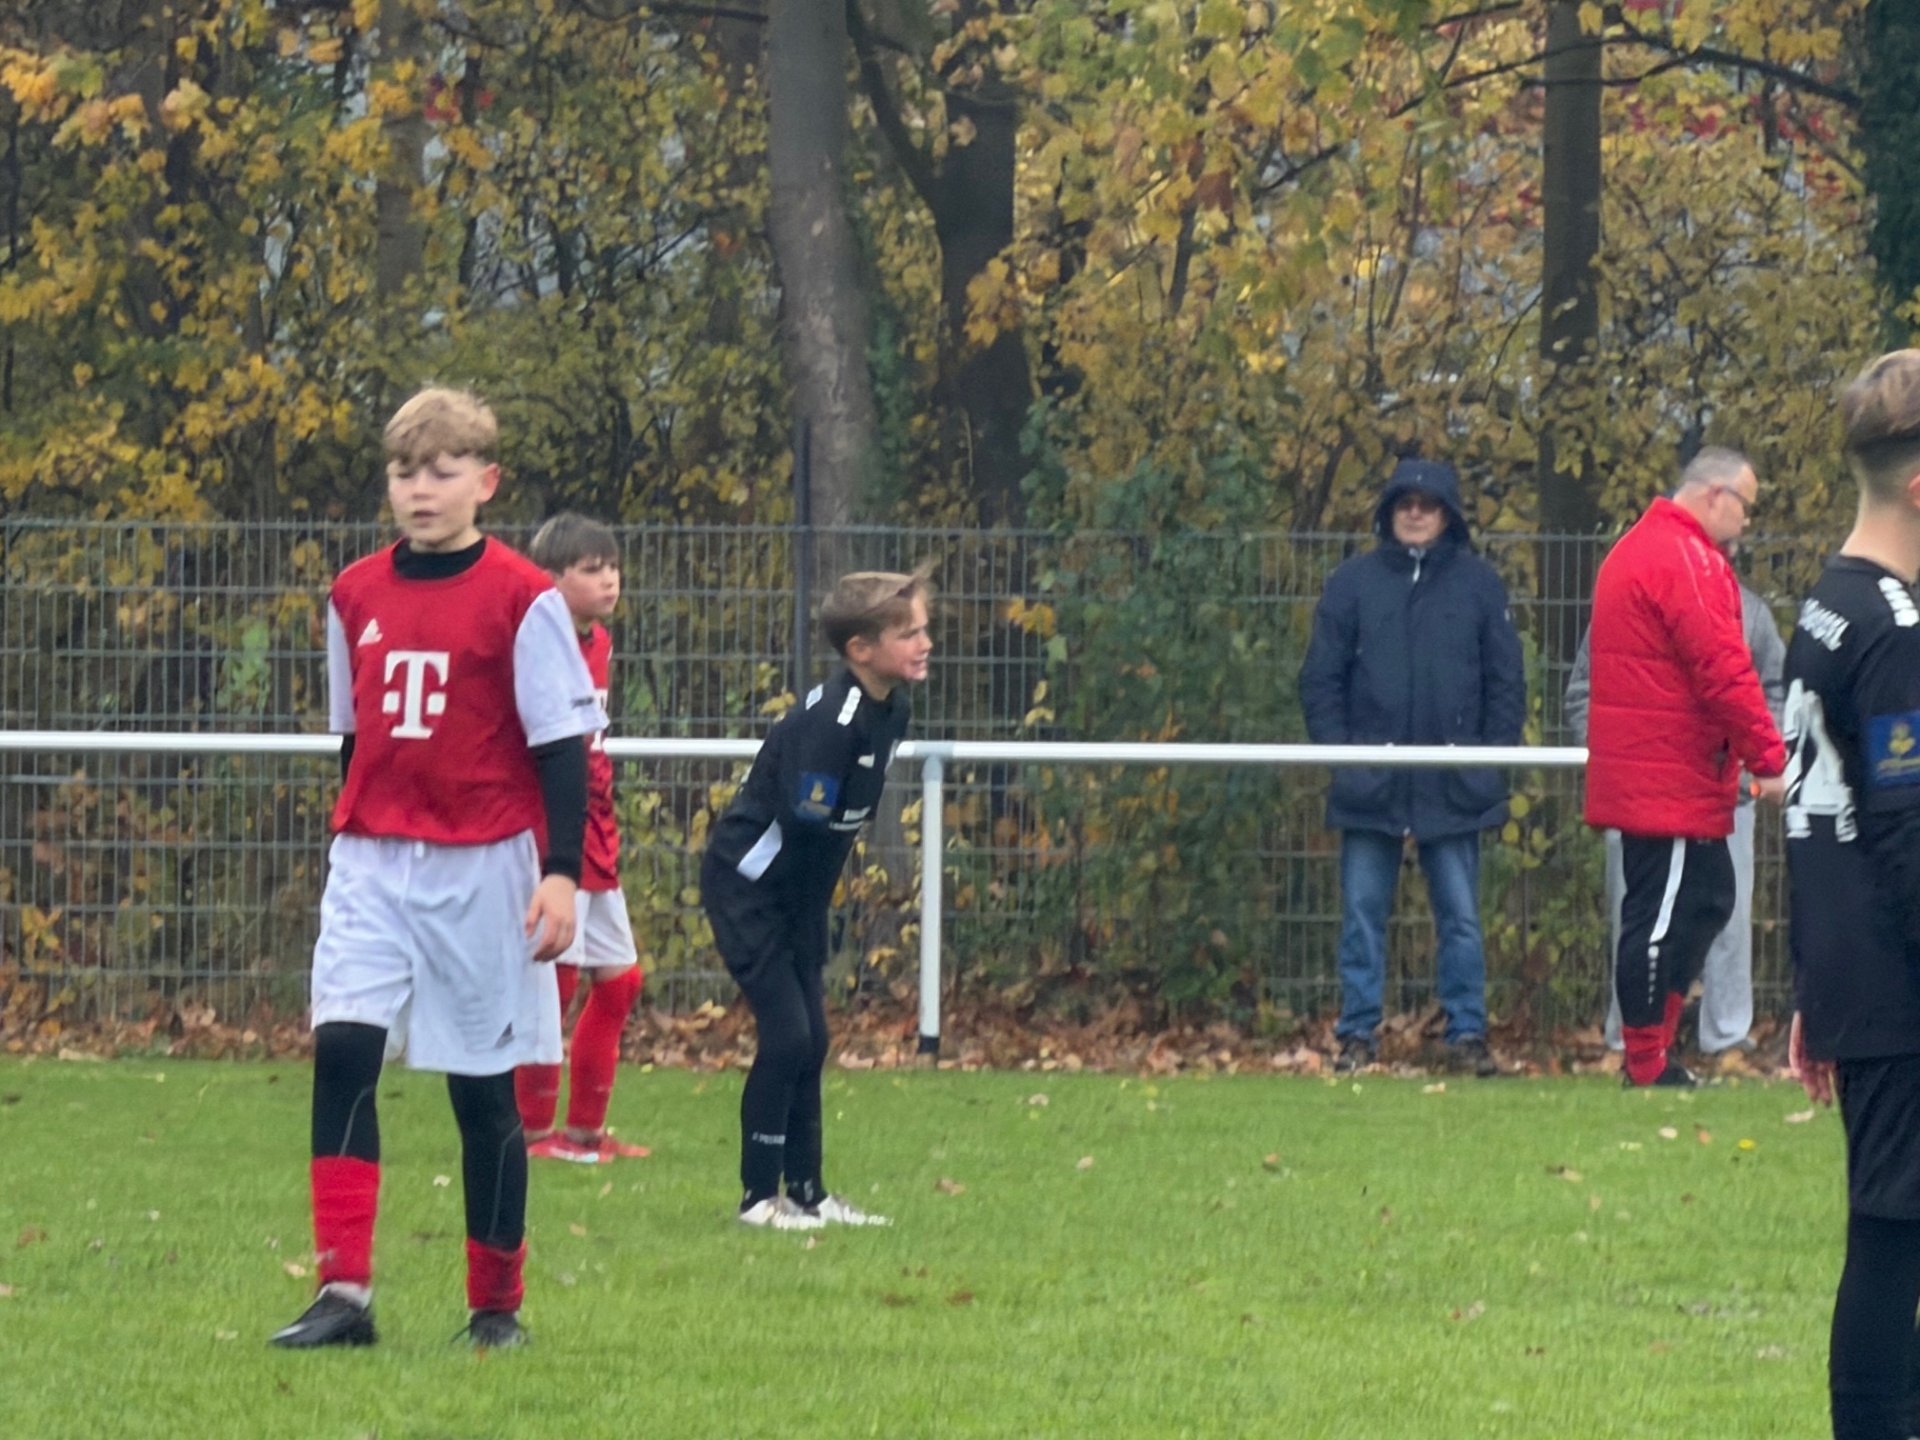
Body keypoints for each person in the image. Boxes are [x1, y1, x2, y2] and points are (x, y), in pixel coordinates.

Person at [271, 388, 605, 1350]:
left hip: (484, 865)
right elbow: (354, 737)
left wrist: (559, 873)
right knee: (343, 1051)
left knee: (480, 1087)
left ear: (485, 483)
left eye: (442, 471)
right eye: (404, 472)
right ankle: (343, 1296)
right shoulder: (354, 593)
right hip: (372, 859)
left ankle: (496, 1308)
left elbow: (562, 748)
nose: (420, 489)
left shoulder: (524, 598)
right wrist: (361, 825)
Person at [700, 569, 931, 1230]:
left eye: (924, 629)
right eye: (908, 633)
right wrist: (803, 909)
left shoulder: (892, 710)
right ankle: (757, 1198)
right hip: (749, 889)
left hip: (799, 894)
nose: (924, 644)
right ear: (860, 649)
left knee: (814, 1039)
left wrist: (815, 910)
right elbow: (805, 826)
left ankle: (808, 1192)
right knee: (788, 1036)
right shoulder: (831, 722)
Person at [1784, 350, 1920, 1440]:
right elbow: (1906, 832)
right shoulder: (1894, 630)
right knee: (1890, 1235)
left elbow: (1818, 814)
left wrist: (1813, 981)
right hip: (1899, 983)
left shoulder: (1829, 605)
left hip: (1855, 973)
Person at [1298, 456, 1525, 1077]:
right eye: (1405, 503)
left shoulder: (1479, 585)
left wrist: (1487, 763)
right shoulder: (1352, 583)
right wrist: (1346, 759)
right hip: (1370, 783)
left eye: (1427, 504)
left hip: (1453, 785)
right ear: (1389, 513)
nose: (1416, 513)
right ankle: (1357, 1035)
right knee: (1362, 915)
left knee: (1461, 919)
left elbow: (1506, 683)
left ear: (1448, 515)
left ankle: (1467, 1034)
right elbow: (1320, 681)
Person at [1584, 447, 1785, 1090]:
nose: (1747, 521)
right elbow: (1724, 667)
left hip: (1668, 769)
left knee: (1708, 896)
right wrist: (1768, 758)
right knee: (1660, 914)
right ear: (1715, 495)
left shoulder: (1642, 549)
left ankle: (1656, 1049)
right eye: (1746, 506)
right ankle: (1647, 1062)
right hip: (1665, 773)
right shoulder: (1685, 558)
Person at [513, 514, 649, 1165]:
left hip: (599, 827)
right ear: (551, 580)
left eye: (612, 567)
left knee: (619, 982)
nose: (609, 580)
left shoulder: (600, 641)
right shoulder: (531, 643)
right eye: (592, 570)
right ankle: (532, 1132)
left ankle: (586, 1131)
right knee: (555, 984)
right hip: (553, 829)